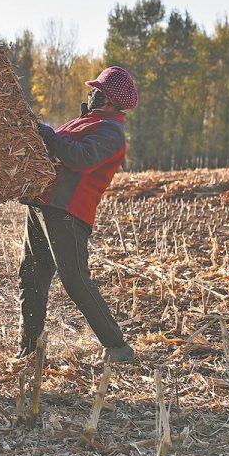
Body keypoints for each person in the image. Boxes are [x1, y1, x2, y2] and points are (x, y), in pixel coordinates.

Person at [19, 66, 138, 363]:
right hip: (43, 205)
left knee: (75, 280)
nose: (92, 93)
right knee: (31, 275)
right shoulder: (88, 121)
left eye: (97, 89)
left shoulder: (111, 133)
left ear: (108, 99)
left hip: (67, 211)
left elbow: (80, 158)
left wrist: (47, 134)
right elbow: (57, 146)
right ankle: (28, 349)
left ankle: (117, 347)